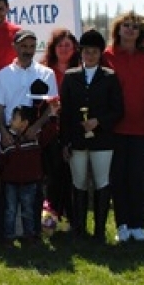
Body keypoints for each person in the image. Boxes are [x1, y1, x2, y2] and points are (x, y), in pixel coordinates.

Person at [0, 29, 59, 244]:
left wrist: (36, 127)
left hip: (35, 142)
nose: (27, 50)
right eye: (23, 46)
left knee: (33, 191)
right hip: (9, 142)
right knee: (7, 193)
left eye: (31, 46)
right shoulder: (3, 74)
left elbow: (52, 105)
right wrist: (2, 132)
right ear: (15, 47)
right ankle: (6, 236)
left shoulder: (46, 73)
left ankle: (33, 234)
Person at [58, 29, 124, 242]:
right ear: (81, 52)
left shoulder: (110, 77)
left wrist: (99, 121)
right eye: (87, 52)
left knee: (101, 182)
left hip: (102, 139)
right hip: (77, 138)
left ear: (100, 53)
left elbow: (118, 109)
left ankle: (99, 230)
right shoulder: (70, 77)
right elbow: (65, 112)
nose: (90, 56)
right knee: (78, 182)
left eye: (94, 52)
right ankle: (79, 228)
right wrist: (65, 141)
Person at [103, 11, 144, 244]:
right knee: (118, 178)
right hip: (115, 128)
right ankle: (122, 225)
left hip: (143, 127)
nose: (129, 30)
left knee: (139, 178)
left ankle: (138, 225)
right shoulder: (107, 56)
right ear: (117, 29)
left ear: (141, 33)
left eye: (135, 27)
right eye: (125, 25)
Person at [39, 28, 80, 233]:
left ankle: (73, 220)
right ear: (53, 48)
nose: (64, 49)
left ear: (75, 49)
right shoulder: (43, 71)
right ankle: (51, 219)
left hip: (74, 131)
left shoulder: (81, 71)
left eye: (68, 45)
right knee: (54, 176)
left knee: (72, 178)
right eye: (60, 45)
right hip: (50, 132)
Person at [0, 105, 44, 244]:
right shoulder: (7, 139)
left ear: (25, 123)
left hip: (29, 182)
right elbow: (2, 159)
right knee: (10, 210)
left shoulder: (35, 138)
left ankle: (29, 235)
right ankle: (8, 236)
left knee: (27, 210)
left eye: (14, 118)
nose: (10, 120)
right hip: (11, 182)